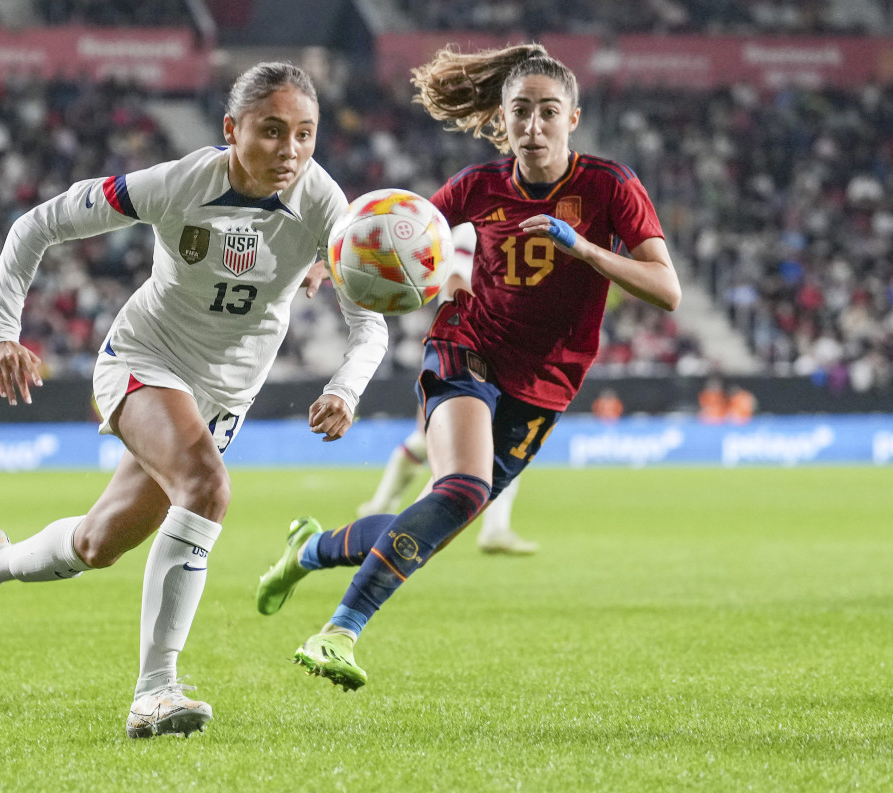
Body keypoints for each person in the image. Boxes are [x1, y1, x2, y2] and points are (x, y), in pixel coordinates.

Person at [0, 63, 388, 737]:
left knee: (97, 543)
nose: (290, 150)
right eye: (272, 131)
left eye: (304, 134)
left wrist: (345, 386)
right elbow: (37, 224)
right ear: (231, 129)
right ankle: (155, 690)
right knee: (206, 485)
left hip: (222, 396)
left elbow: (371, 321)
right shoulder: (178, 183)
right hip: (142, 360)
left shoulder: (326, 206)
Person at [256, 43, 681, 691]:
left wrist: (586, 249)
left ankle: (310, 549)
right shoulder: (478, 186)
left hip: (547, 381)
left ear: (573, 118)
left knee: (438, 520)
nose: (533, 126)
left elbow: (666, 288)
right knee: (462, 489)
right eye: (520, 112)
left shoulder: (608, 186)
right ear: (502, 121)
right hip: (467, 347)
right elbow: (395, 226)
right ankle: (338, 631)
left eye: (547, 112)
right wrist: (333, 255)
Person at [356, 223, 539, 556]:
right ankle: (382, 514)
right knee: (456, 442)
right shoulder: (475, 229)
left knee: (483, 444)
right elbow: (455, 280)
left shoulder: (500, 229)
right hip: (468, 348)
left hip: (484, 347)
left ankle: (380, 507)